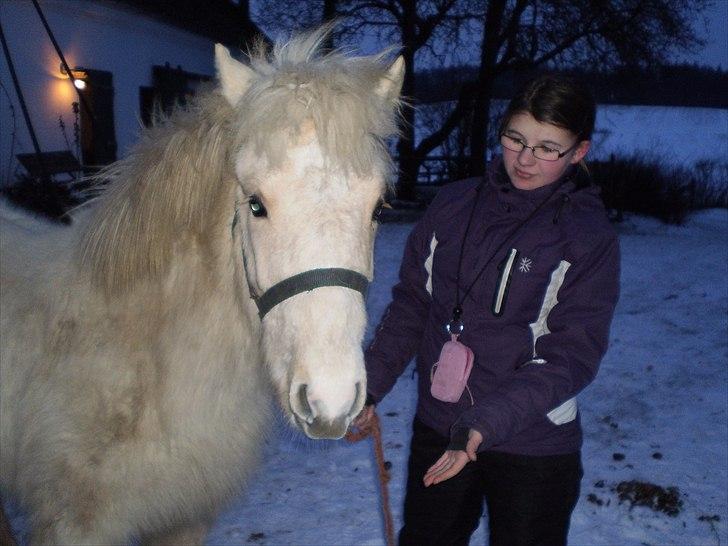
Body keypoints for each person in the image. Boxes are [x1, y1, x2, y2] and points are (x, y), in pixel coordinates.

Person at [354, 74, 620, 546]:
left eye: (547, 148)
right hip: (441, 426)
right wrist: (370, 385)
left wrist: (482, 425)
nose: (524, 158)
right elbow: (414, 306)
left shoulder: (586, 235)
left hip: (533, 443)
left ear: (579, 152)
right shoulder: (453, 204)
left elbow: (572, 355)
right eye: (515, 139)